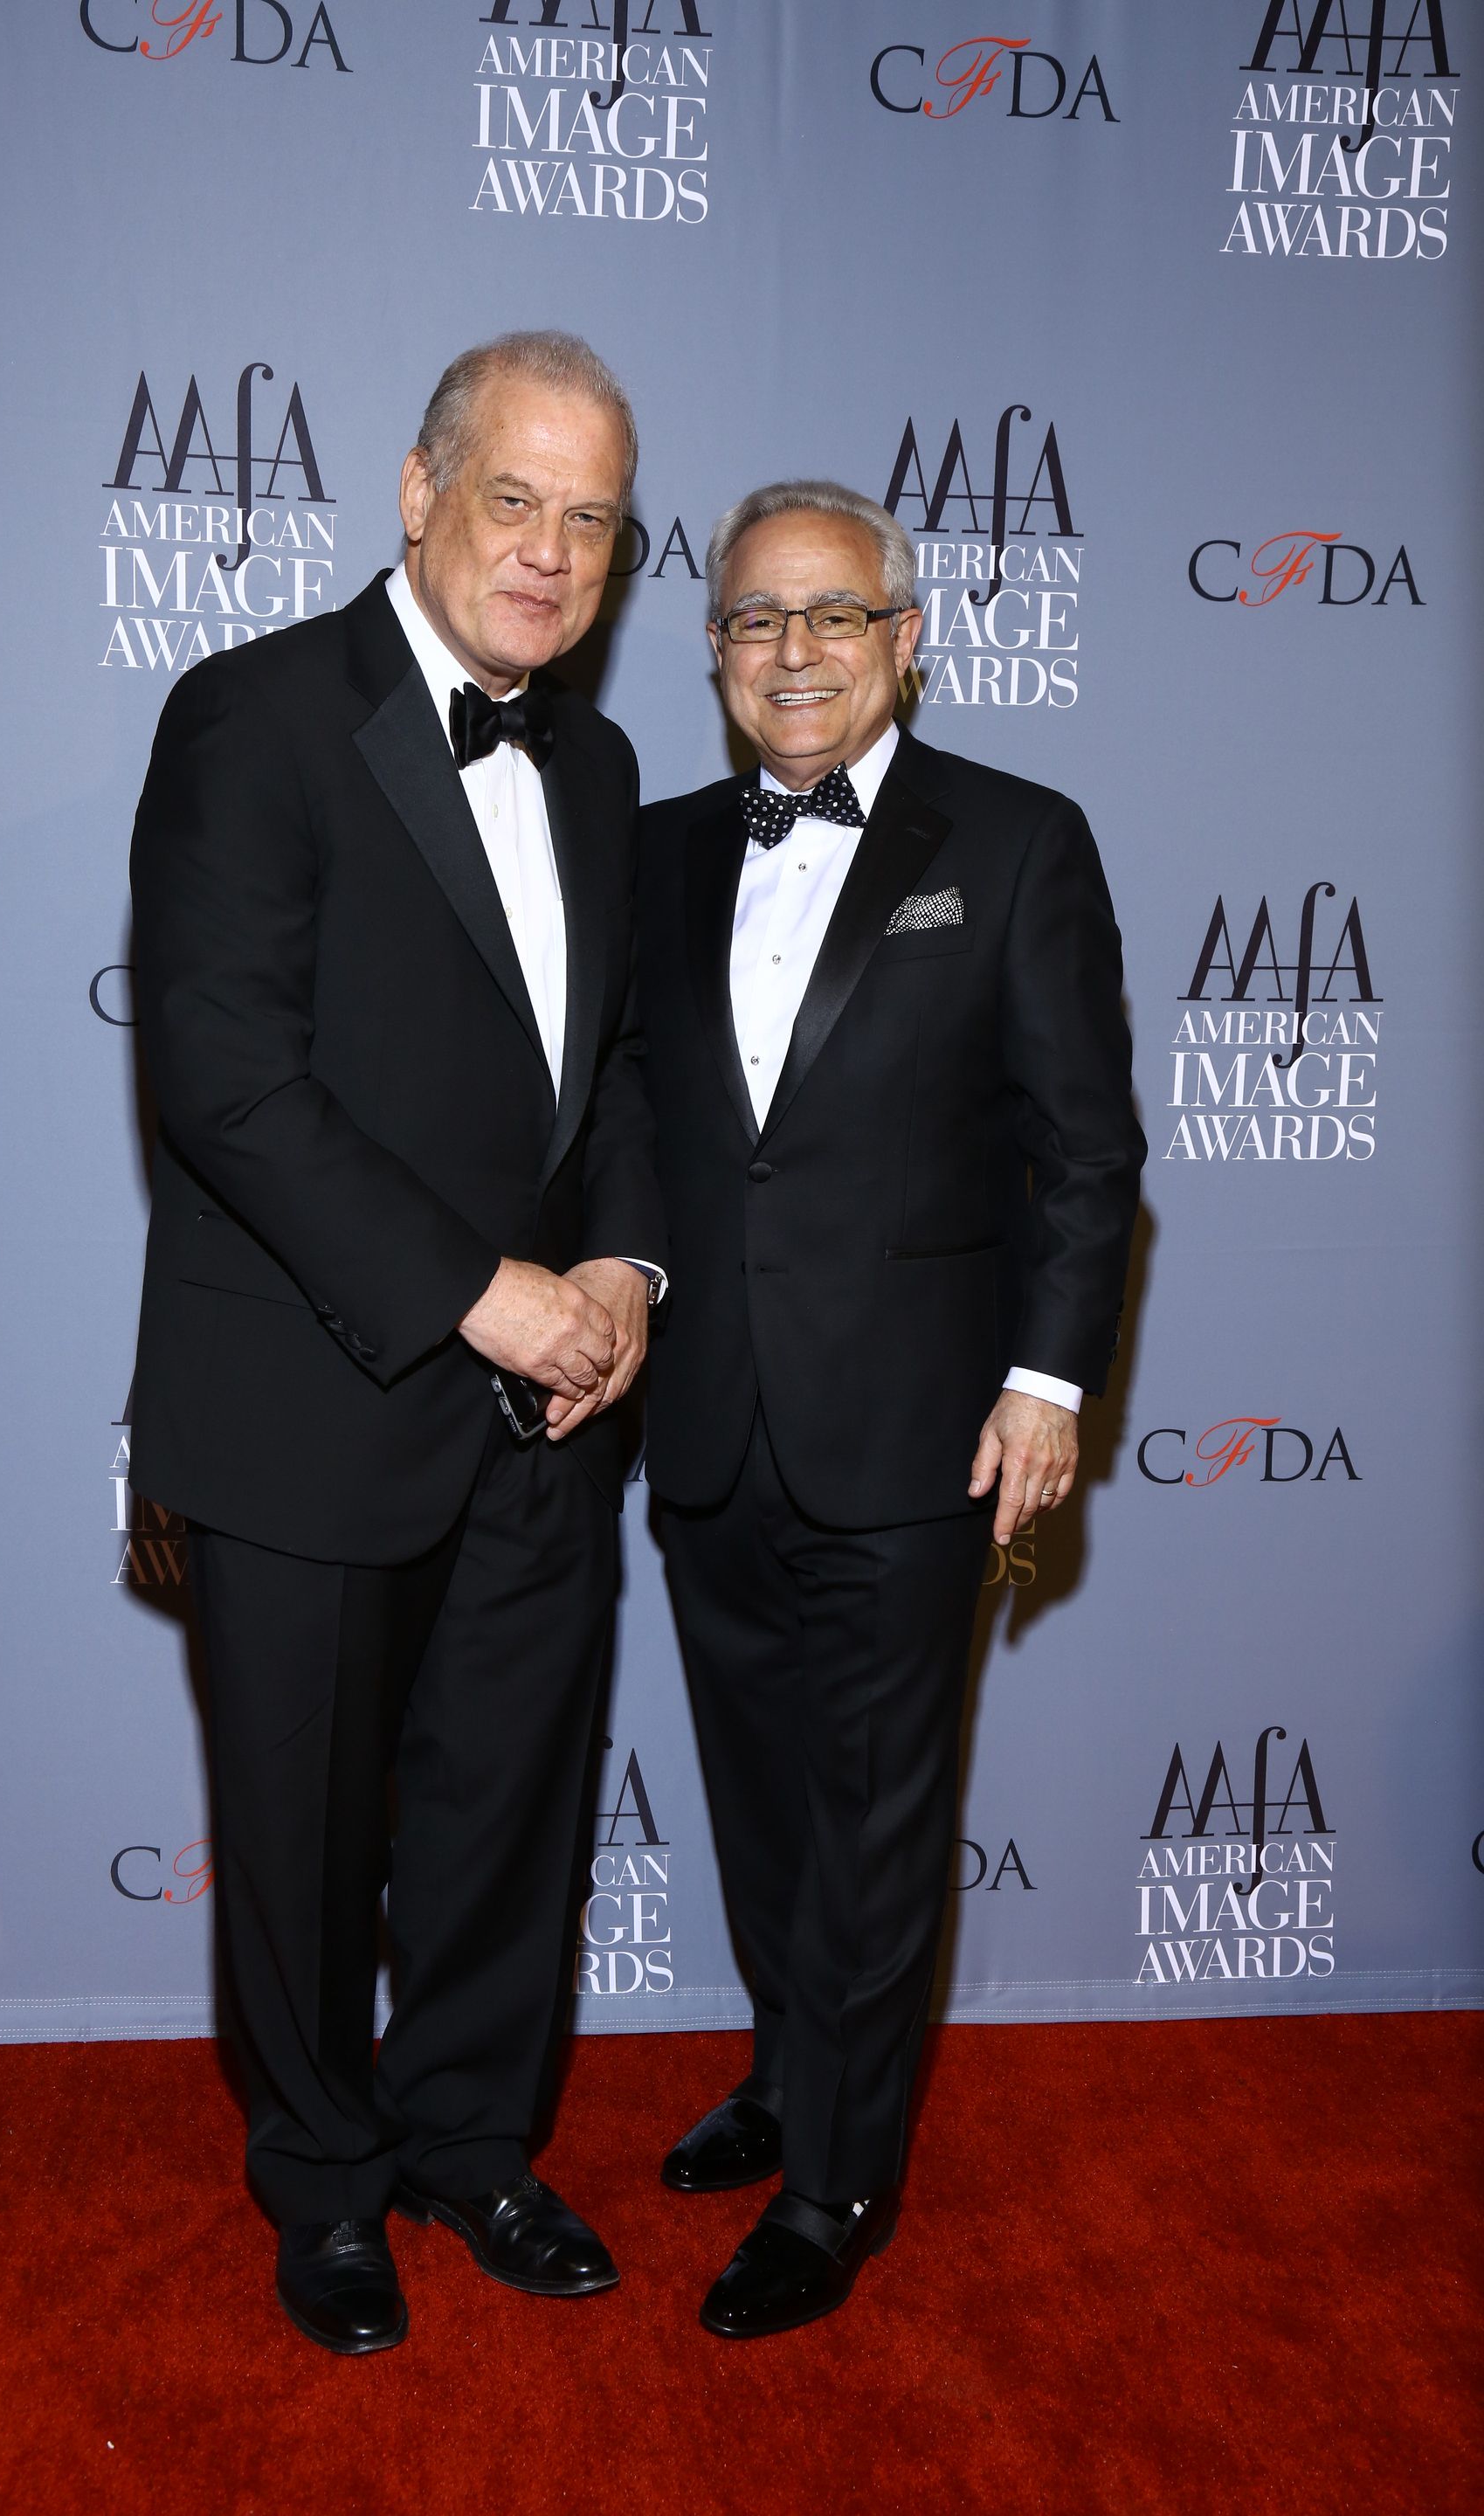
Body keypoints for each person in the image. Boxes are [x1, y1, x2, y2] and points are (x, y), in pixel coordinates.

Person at [128, 332, 666, 2356]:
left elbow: (617, 1075)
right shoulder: (255, 714)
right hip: (312, 1397)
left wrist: (624, 1274)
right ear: (422, 490)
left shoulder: (601, 771)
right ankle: (326, 2182)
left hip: (549, 1414)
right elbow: (227, 1079)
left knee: (509, 1816)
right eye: (514, 498)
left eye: (591, 520)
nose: (548, 552)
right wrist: (479, 1291)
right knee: (300, 1835)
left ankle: (470, 2144)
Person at [635, 480, 1144, 2340]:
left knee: (870, 1810)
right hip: (709, 1420)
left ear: (905, 639)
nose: (793, 652)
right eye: (755, 619)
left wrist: (1047, 1381)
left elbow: (1088, 1152)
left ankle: (839, 2182)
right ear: (714, 648)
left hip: (923, 1430)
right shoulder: (659, 851)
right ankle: (792, 2073)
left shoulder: (1015, 841)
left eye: (833, 615)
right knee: (763, 1793)